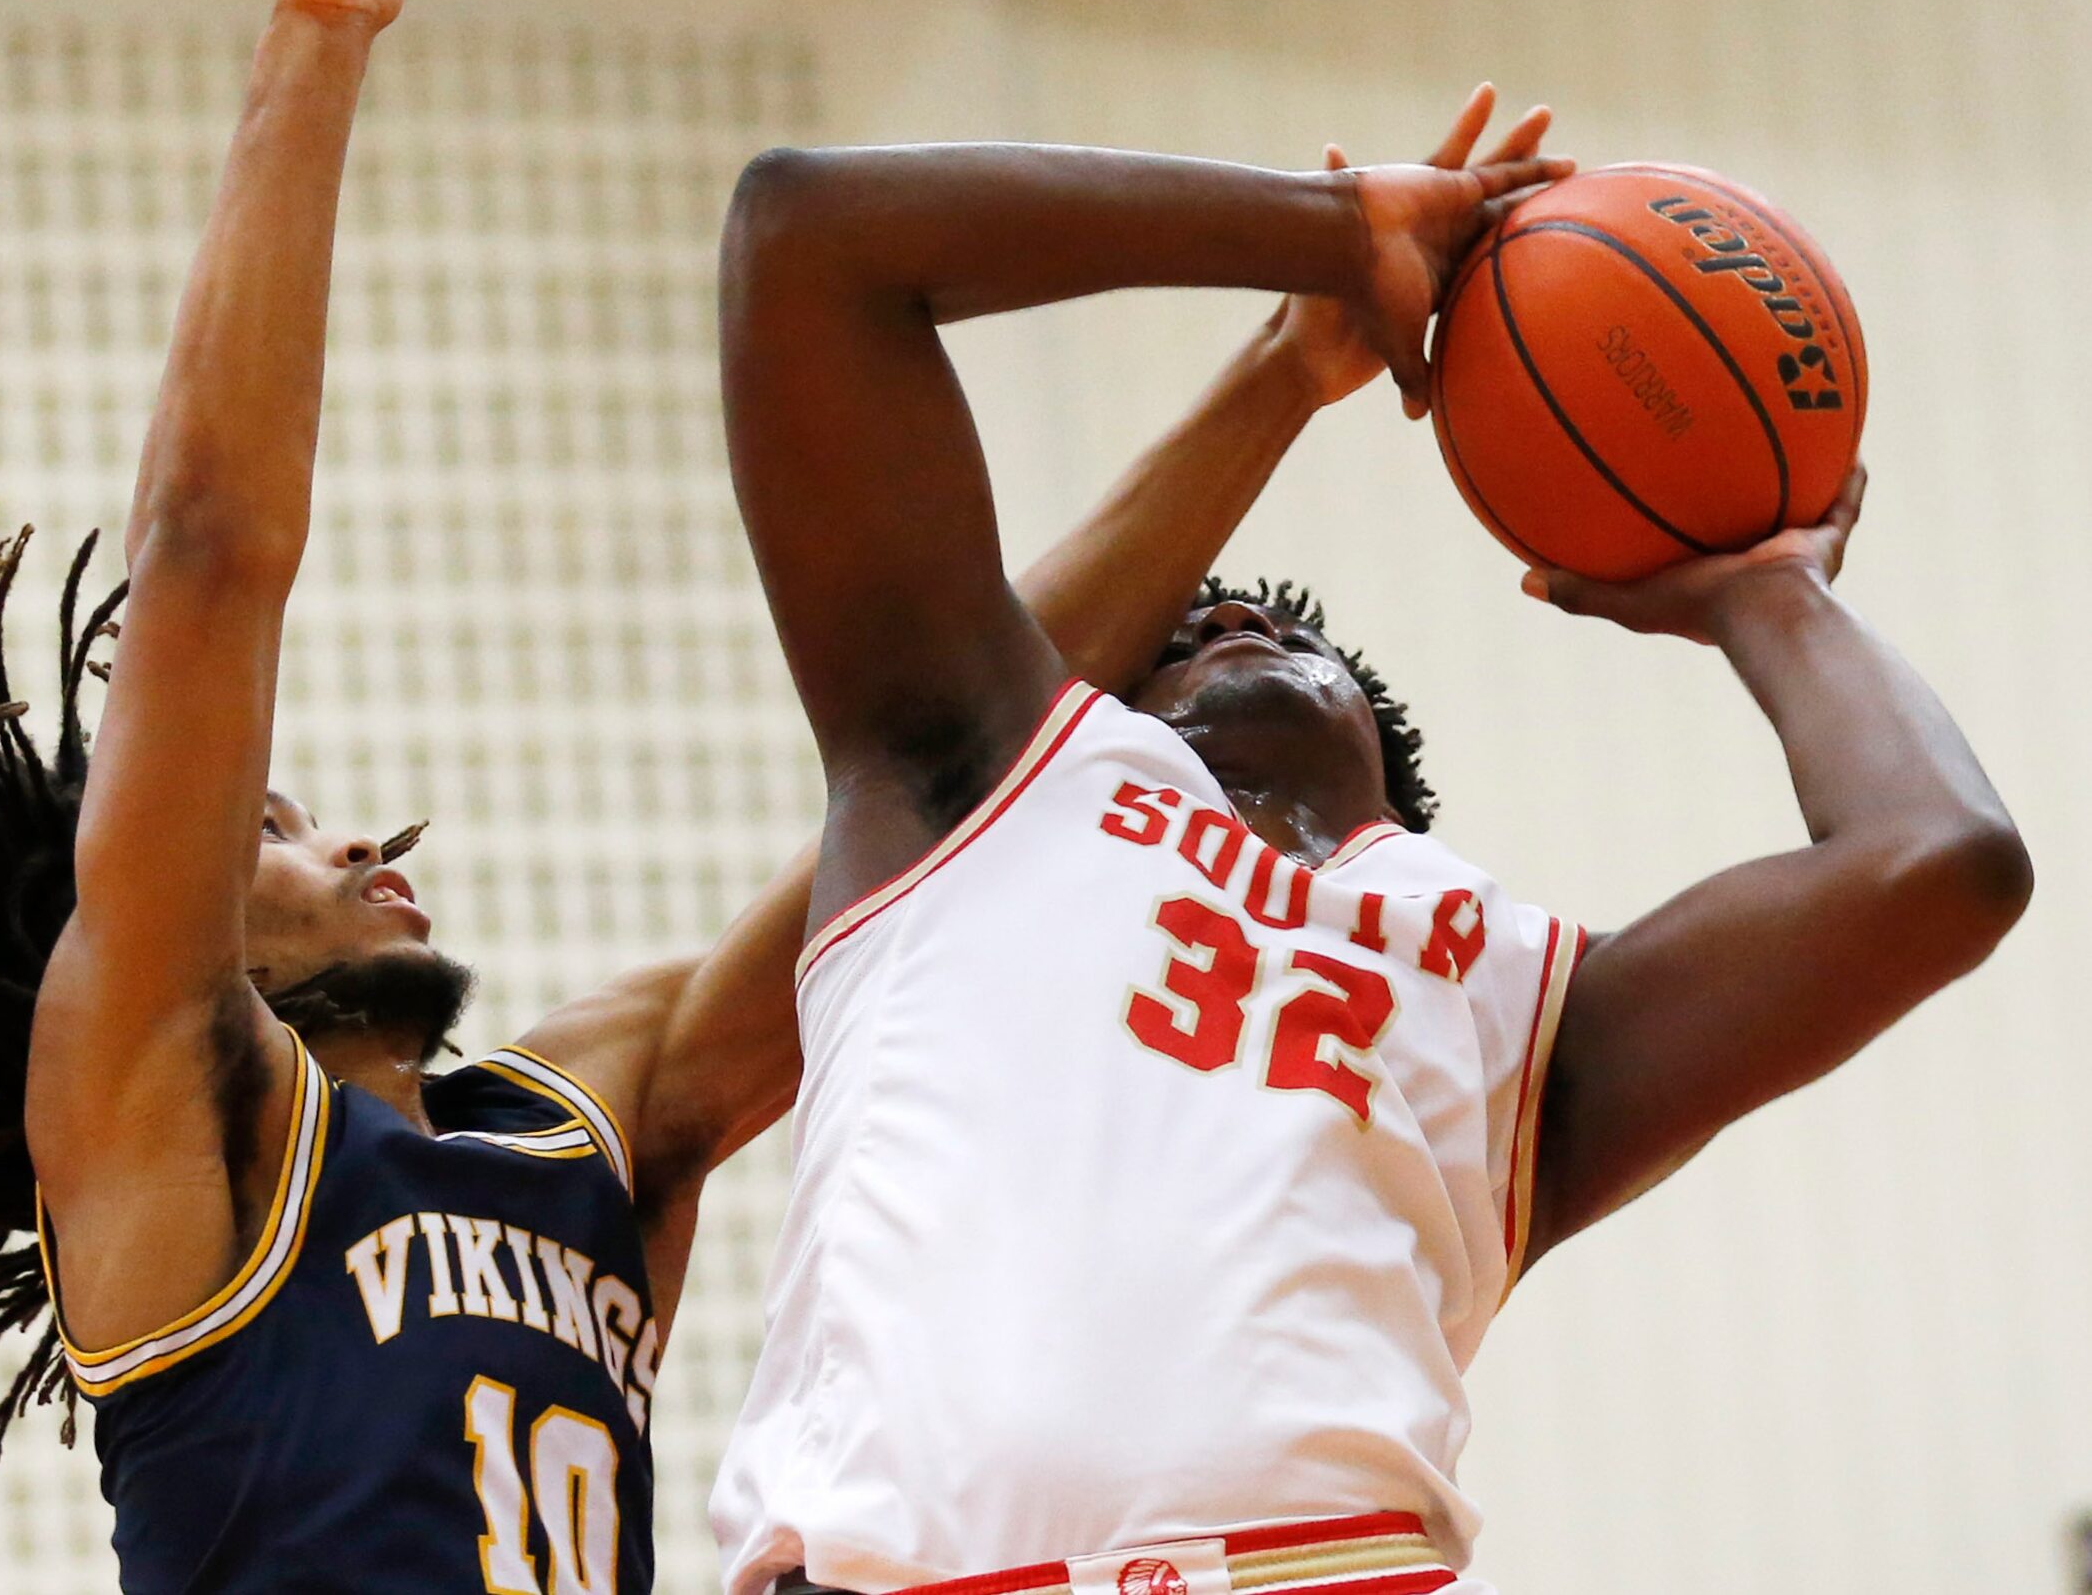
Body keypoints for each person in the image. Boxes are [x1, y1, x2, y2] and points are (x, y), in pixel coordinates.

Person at [0, 0, 1516, 1595]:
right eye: (268, 829)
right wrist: (320, 41)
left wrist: (1278, 378)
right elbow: (208, 553)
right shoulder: (167, 1136)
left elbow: (964, 766)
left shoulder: (581, 1128)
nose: (345, 836)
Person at [708, 129, 2032, 1595]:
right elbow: (807, 233)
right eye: (1173, 639)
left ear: (1373, 735)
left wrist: (1764, 587)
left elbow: (1941, 863)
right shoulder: (976, 788)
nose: (1225, 626)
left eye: (1271, 626)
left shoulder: (1508, 1001)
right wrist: (1327, 235)